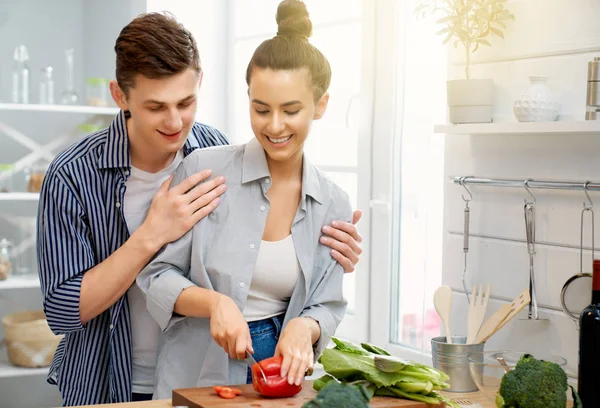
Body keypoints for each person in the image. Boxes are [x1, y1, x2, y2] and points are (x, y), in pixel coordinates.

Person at [36, 11, 363, 406]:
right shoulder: (72, 175)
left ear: (200, 83)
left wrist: (325, 251)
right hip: (109, 377)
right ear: (120, 96)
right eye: (156, 106)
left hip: (207, 379)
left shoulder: (211, 153)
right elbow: (61, 311)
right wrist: (152, 234)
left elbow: (262, 263)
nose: (175, 122)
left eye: (186, 102)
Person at [137, 0, 355, 399]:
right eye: (261, 109)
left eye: (291, 110)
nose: (274, 126)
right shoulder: (205, 172)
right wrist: (215, 303)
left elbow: (328, 303)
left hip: (280, 380)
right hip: (195, 378)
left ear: (320, 105)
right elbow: (156, 276)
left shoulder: (333, 203)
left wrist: (304, 327)